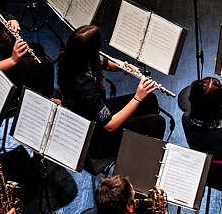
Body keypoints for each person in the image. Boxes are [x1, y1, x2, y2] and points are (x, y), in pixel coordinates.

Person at [57, 25, 165, 159]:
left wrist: (123, 67)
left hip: (95, 111)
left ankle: (139, 141)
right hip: (97, 136)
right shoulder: (83, 86)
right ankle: (142, 158)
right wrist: (137, 97)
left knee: (150, 100)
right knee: (157, 123)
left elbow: (106, 63)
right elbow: (110, 125)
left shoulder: (72, 56)